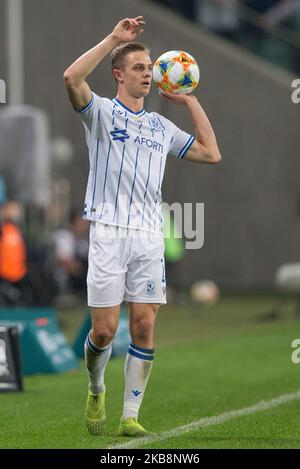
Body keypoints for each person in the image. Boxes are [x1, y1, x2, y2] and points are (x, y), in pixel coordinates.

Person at [63, 15, 221, 437]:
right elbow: (71, 76)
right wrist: (114, 37)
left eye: (151, 67)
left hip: (149, 235)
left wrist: (188, 100)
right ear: (118, 75)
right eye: (139, 67)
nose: (148, 73)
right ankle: (96, 386)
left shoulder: (159, 127)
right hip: (108, 231)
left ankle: (130, 415)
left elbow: (211, 153)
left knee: (145, 325)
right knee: (104, 330)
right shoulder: (98, 112)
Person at [52, 210, 89, 298]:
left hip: (79, 274)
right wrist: (82, 272)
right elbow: (63, 261)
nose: (84, 225)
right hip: (66, 275)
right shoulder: (64, 236)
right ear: (74, 222)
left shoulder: (83, 240)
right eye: (81, 222)